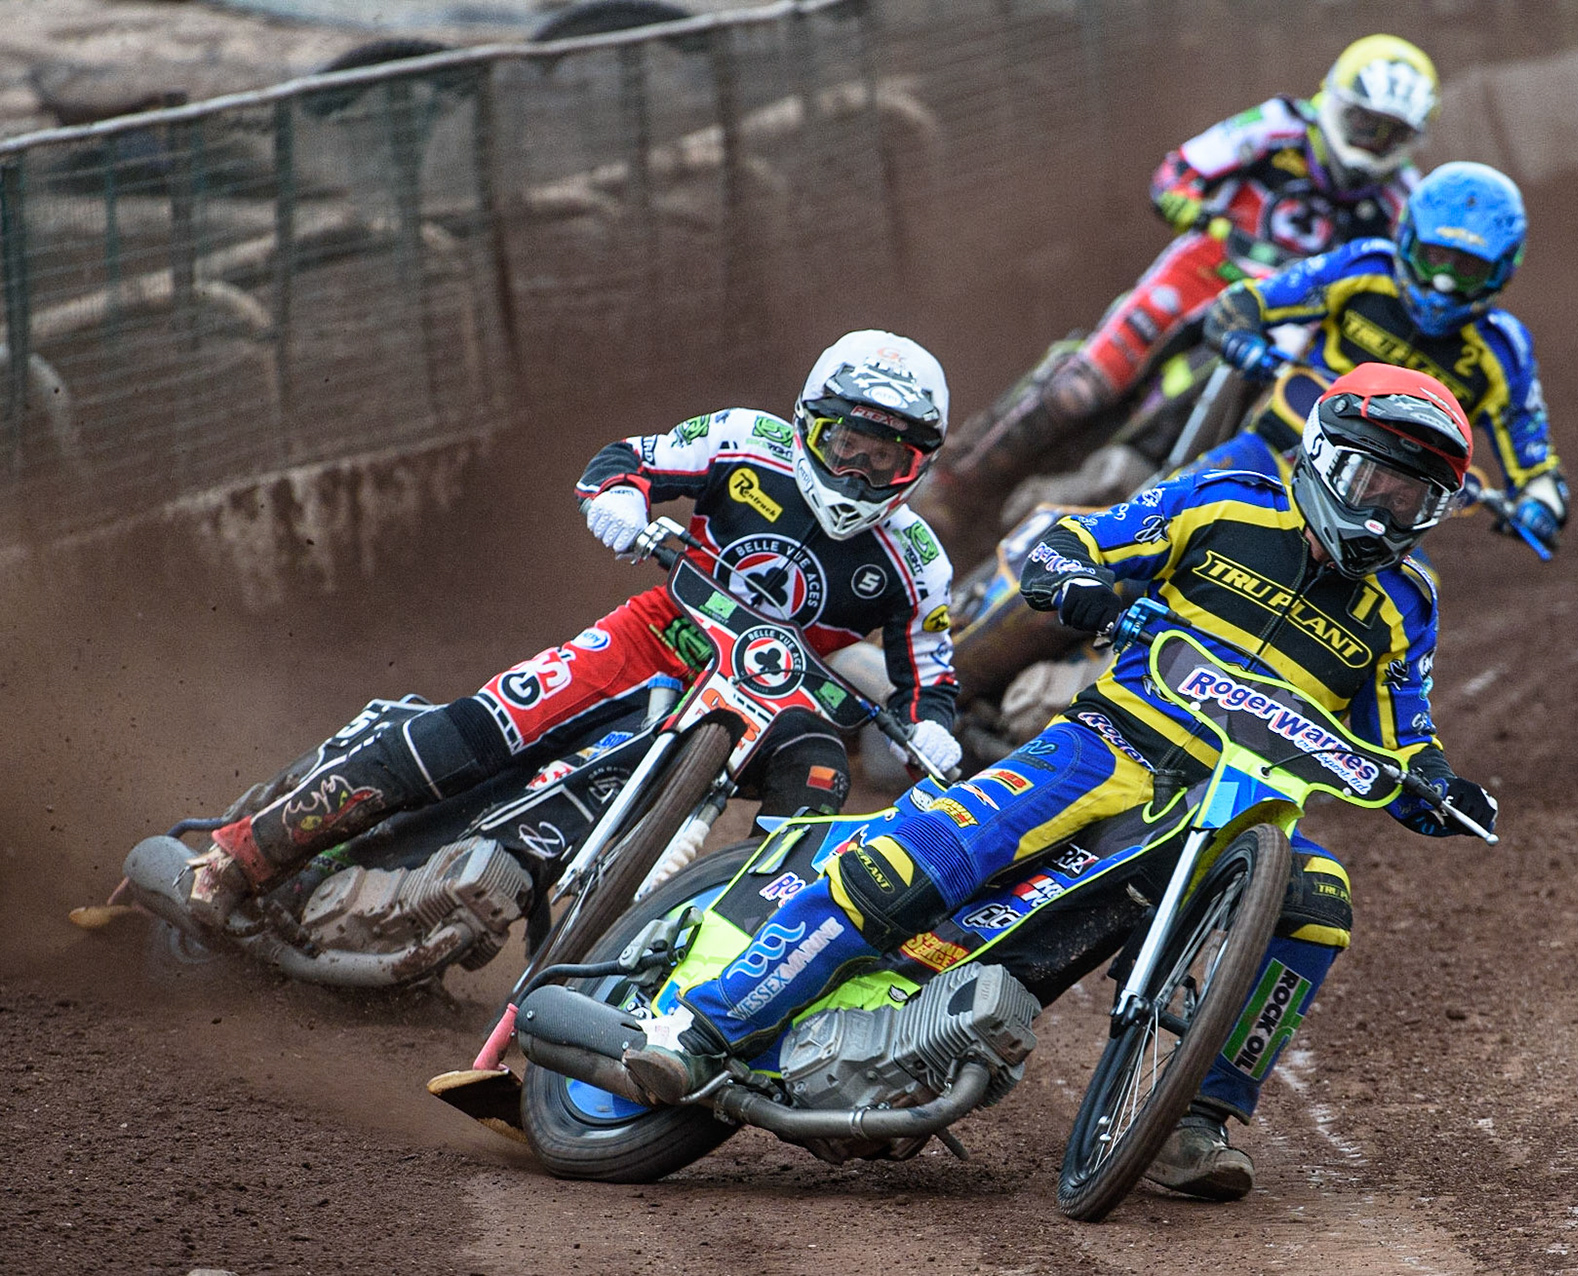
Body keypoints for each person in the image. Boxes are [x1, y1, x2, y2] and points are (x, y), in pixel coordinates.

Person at [622, 364, 1500, 1203]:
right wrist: (1073, 577)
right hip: (1110, 746)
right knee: (914, 860)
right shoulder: (1226, 502)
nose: (1383, 512)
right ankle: (705, 1026)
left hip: (1238, 805)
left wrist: (1439, 785)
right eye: (1372, 482)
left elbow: (1405, 730)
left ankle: (1196, 1119)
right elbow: (1079, 536)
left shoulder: (1406, 604)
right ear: (1321, 456)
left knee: (1320, 897)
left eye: (1410, 499)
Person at [181, 331, 966, 926]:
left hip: (777, 701)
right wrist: (617, 499)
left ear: (917, 465)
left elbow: (931, 672)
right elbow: (629, 459)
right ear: (806, 425)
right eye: (844, 444)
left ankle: (734, 963)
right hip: (660, 634)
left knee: (821, 780)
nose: (857, 472)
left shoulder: (918, 564)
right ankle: (241, 855)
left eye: (884, 460)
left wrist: (934, 728)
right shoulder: (742, 441)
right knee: (482, 728)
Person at [932, 34, 1441, 508]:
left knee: (1256, 422)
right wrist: (1187, 203)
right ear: (1334, 101)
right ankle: (955, 483)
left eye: (1392, 133)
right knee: (1081, 390)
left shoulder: (1405, 199)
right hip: (1205, 271)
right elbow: (1181, 169)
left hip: (1287, 314)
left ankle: (1163, 497)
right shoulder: (1278, 127)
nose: (1373, 143)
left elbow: (1409, 283)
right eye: (1365, 123)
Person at [1201, 160, 1569, 551]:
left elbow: (1537, 466)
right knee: (1176, 509)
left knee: (1416, 591)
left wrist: (1541, 504)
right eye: (1434, 257)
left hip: (1380, 521)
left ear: (1502, 270)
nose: (1444, 282)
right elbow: (1247, 301)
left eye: (1468, 268)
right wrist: (1241, 336)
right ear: (1407, 238)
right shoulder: (1365, 267)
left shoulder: (1504, 351)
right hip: (1275, 452)